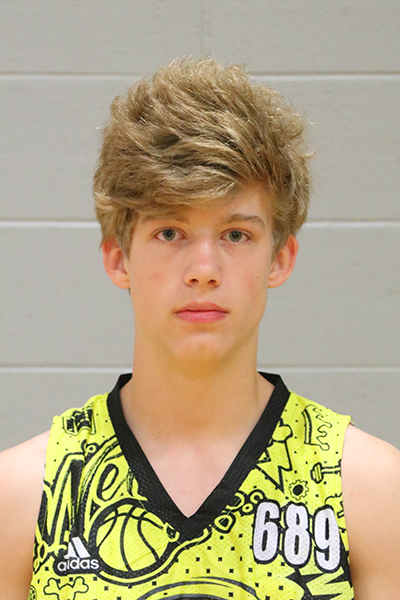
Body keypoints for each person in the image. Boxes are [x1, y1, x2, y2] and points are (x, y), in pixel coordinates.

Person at [0, 58, 399, 600]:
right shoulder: (25, 494)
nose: (204, 269)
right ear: (118, 259)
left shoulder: (370, 489)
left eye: (236, 235)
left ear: (280, 258)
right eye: (170, 232)